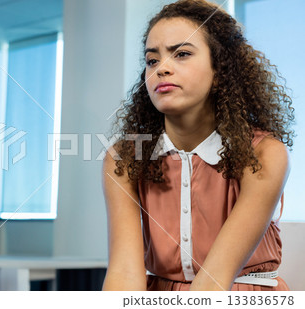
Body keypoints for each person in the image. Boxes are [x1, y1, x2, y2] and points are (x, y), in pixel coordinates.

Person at [102, 0, 294, 291]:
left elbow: (213, 282)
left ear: (220, 71)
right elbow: (124, 274)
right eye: (152, 60)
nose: (162, 68)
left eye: (181, 54)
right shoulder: (124, 156)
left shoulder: (265, 153)